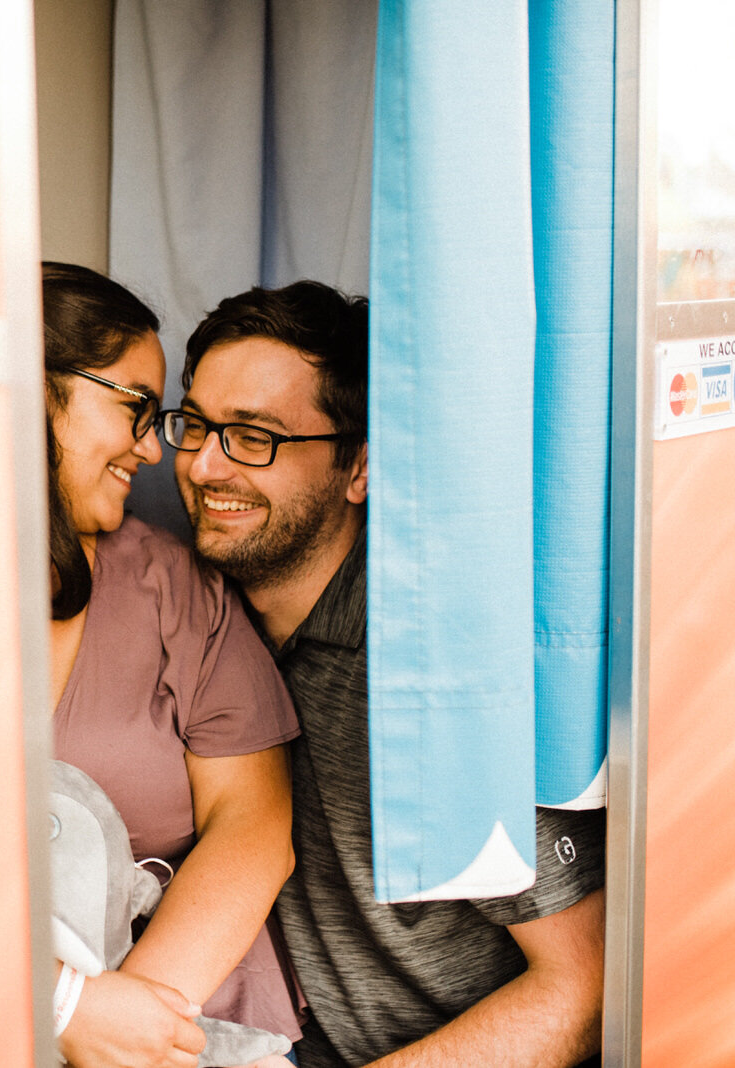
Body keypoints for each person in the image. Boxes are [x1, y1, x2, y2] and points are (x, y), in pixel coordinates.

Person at [164, 280, 605, 1067]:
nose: (203, 465)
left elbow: (584, 987)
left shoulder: (437, 672)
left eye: (254, 437)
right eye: (194, 426)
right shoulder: (197, 619)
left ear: (359, 466)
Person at [41, 263, 302, 1068]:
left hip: (190, 1029)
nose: (155, 452)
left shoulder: (177, 592)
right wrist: (58, 1006)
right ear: (33, 386)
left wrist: (129, 1028)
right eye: (135, 408)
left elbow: (253, 826)